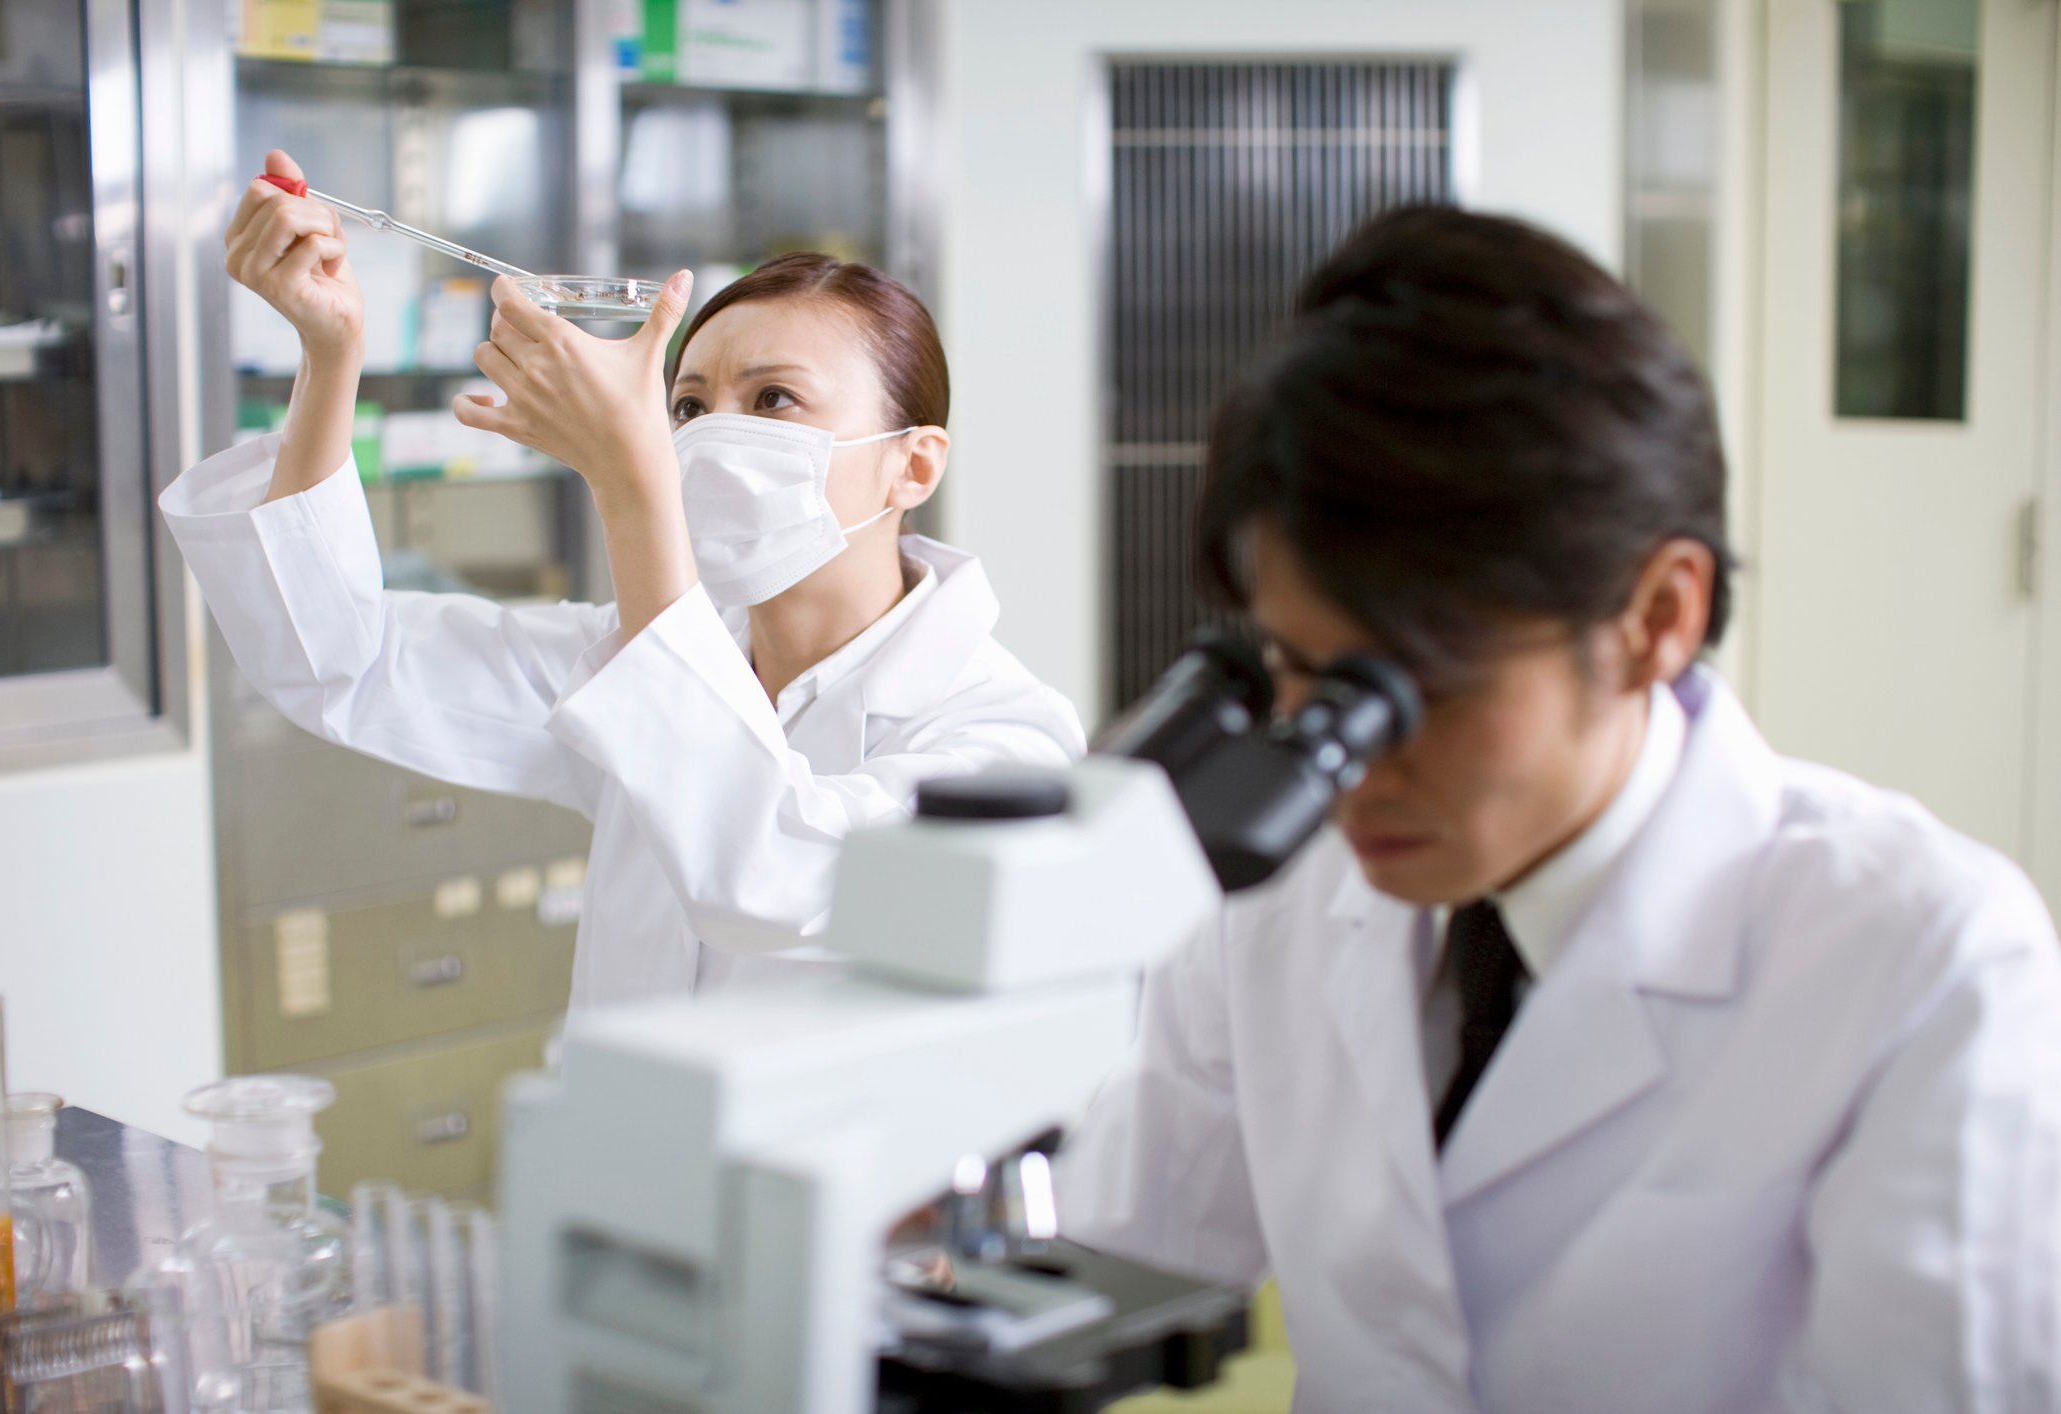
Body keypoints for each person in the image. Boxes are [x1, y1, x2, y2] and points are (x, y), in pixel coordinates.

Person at [1057, 207, 2061, 1412]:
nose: (1347, 763)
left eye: (1409, 682)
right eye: (1294, 671)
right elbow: (1109, 1266)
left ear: (1656, 618)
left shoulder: (1924, 958)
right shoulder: (1276, 894)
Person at [161, 150, 1083, 1006]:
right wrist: (331, 355)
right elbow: (337, 660)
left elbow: (765, 871)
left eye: (773, 399)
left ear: (913, 467)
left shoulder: (1007, 740)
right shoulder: (631, 660)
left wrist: (630, 484)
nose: (714, 435)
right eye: (688, 406)